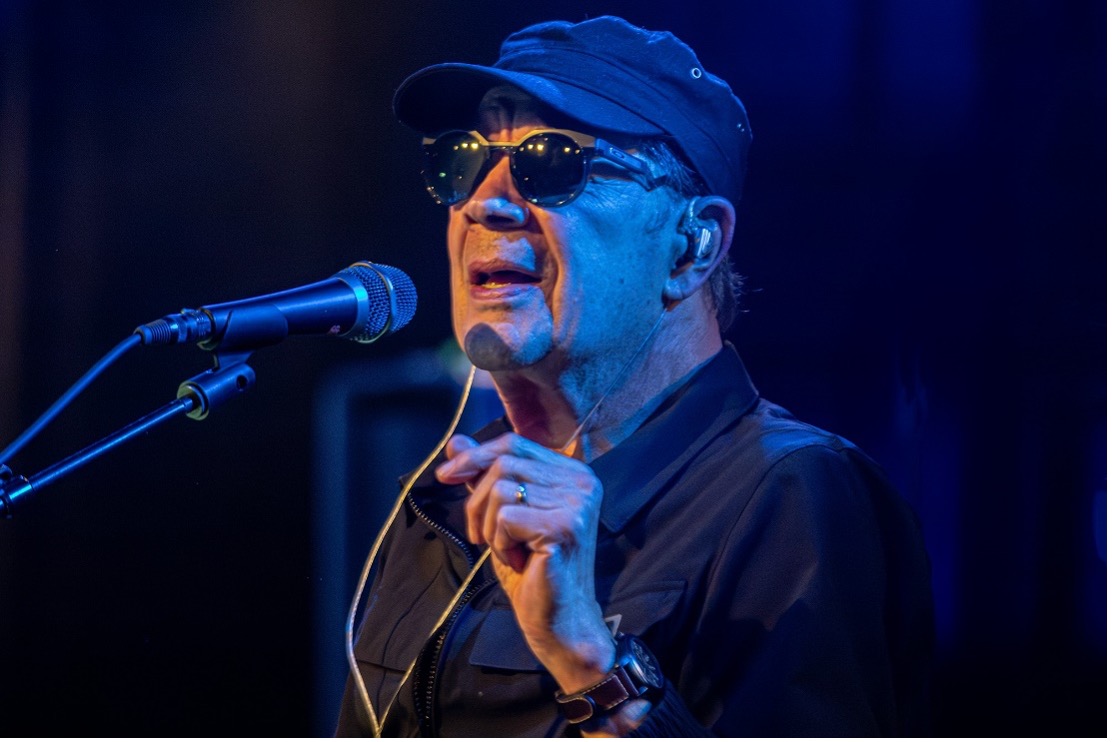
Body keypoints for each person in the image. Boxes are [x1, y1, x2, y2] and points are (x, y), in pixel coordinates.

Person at [336, 15, 933, 737]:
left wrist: (590, 663)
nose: (483, 202)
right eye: (462, 162)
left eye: (550, 162)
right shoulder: (444, 498)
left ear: (691, 245)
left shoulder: (793, 493)